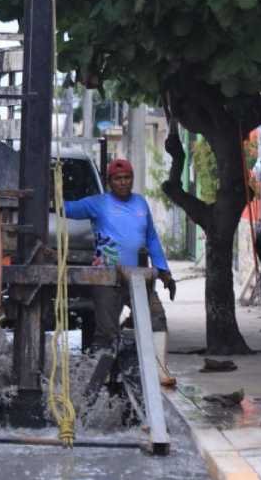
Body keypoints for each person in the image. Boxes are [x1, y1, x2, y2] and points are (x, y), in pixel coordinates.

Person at [65, 157, 178, 386]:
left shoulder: (141, 204)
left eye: (127, 178)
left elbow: (152, 238)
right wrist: (49, 193)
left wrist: (165, 272)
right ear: (109, 182)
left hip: (139, 277)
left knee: (157, 320)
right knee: (107, 332)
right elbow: (66, 208)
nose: (123, 183)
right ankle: (99, 381)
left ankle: (158, 370)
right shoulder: (97, 203)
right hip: (107, 277)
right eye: (118, 179)